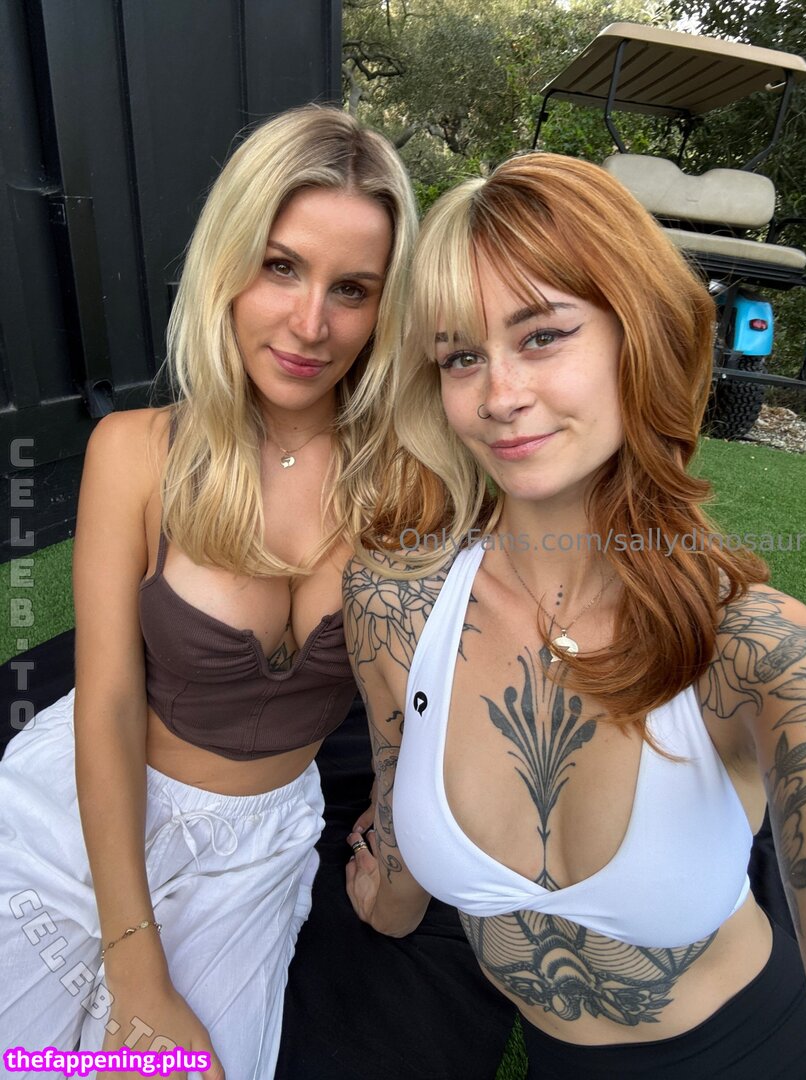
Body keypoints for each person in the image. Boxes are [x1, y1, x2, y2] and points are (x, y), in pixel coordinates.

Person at [343, 152, 806, 1079]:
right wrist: (388, 895)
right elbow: (397, 802)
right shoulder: (393, 606)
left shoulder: (756, 650)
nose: (499, 396)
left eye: (543, 335)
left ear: (639, 337)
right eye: (461, 356)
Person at [0, 104, 416, 1079]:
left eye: (351, 289)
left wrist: (400, 860)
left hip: (254, 848)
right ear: (229, 263)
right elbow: (106, 704)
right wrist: (134, 965)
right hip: (87, 815)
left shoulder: (409, 482)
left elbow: (427, 704)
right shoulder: (135, 454)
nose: (311, 324)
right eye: (281, 266)